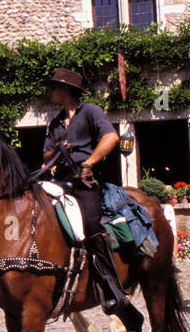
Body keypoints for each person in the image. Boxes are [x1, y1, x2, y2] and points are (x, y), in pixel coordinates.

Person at [38, 67, 127, 312]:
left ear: (65, 89)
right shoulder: (55, 122)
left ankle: (111, 286)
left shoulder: (91, 112)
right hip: (61, 182)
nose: (50, 92)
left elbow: (110, 138)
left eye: (54, 87)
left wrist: (88, 162)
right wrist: (58, 150)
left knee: (89, 222)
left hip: (87, 181)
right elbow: (46, 155)